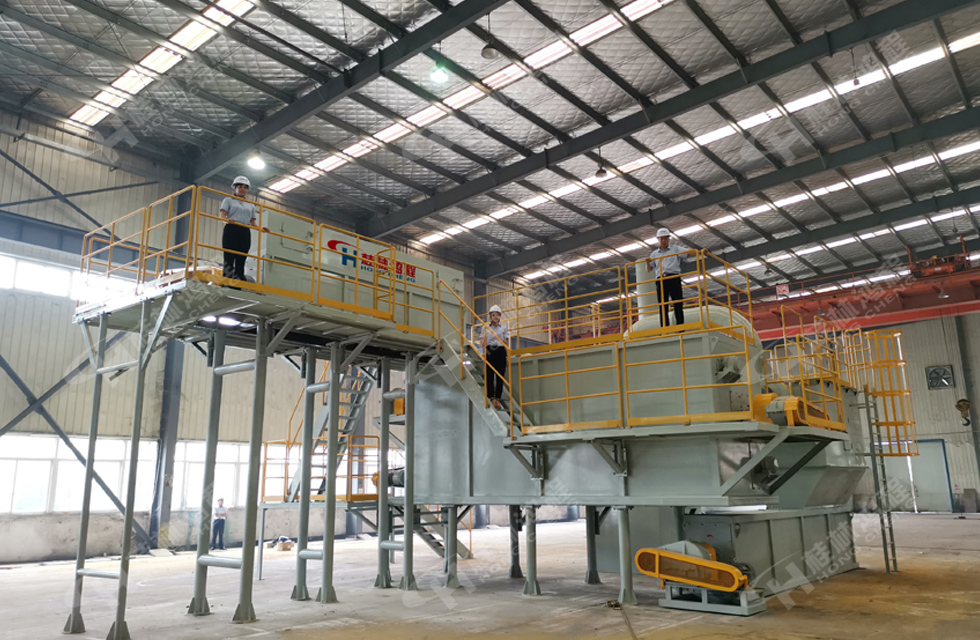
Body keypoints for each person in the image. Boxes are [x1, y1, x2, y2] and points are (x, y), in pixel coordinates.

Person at [645, 228, 687, 327]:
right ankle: (664, 327)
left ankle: (680, 326)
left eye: (665, 238)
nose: (663, 240)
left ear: (669, 239)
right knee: (663, 304)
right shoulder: (654, 254)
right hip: (661, 280)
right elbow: (649, 269)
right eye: (661, 238)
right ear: (658, 239)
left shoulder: (675, 249)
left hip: (674, 278)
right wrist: (647, 262)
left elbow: (689, 252)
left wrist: (701, 252)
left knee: (677, 302)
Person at [220, 176, 257, 281]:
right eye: (240, 186)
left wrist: (262, 229)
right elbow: (222, 216)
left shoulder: (251, 206)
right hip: (231, 228)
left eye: (245, 187)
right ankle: (227, 279)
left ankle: (240, 278)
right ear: (235, 188)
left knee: (242, 256)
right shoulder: (228, 200)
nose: (242, 189)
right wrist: (228, 220)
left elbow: (252, 222)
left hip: (244, 230)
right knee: (229, 256)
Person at [480, 304, 509, 410]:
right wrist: (483, 345)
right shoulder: (485, 327)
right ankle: (492, 398)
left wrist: (507, 357)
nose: (495, 317)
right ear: (490, 316)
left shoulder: (503, 329)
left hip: (501, 351)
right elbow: (482, 341)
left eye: (497, 315)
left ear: (499, 316)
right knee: (490, 376)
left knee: (500, 377)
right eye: (493, 315)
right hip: (490, 351)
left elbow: (505, 343)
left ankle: (498, 399)